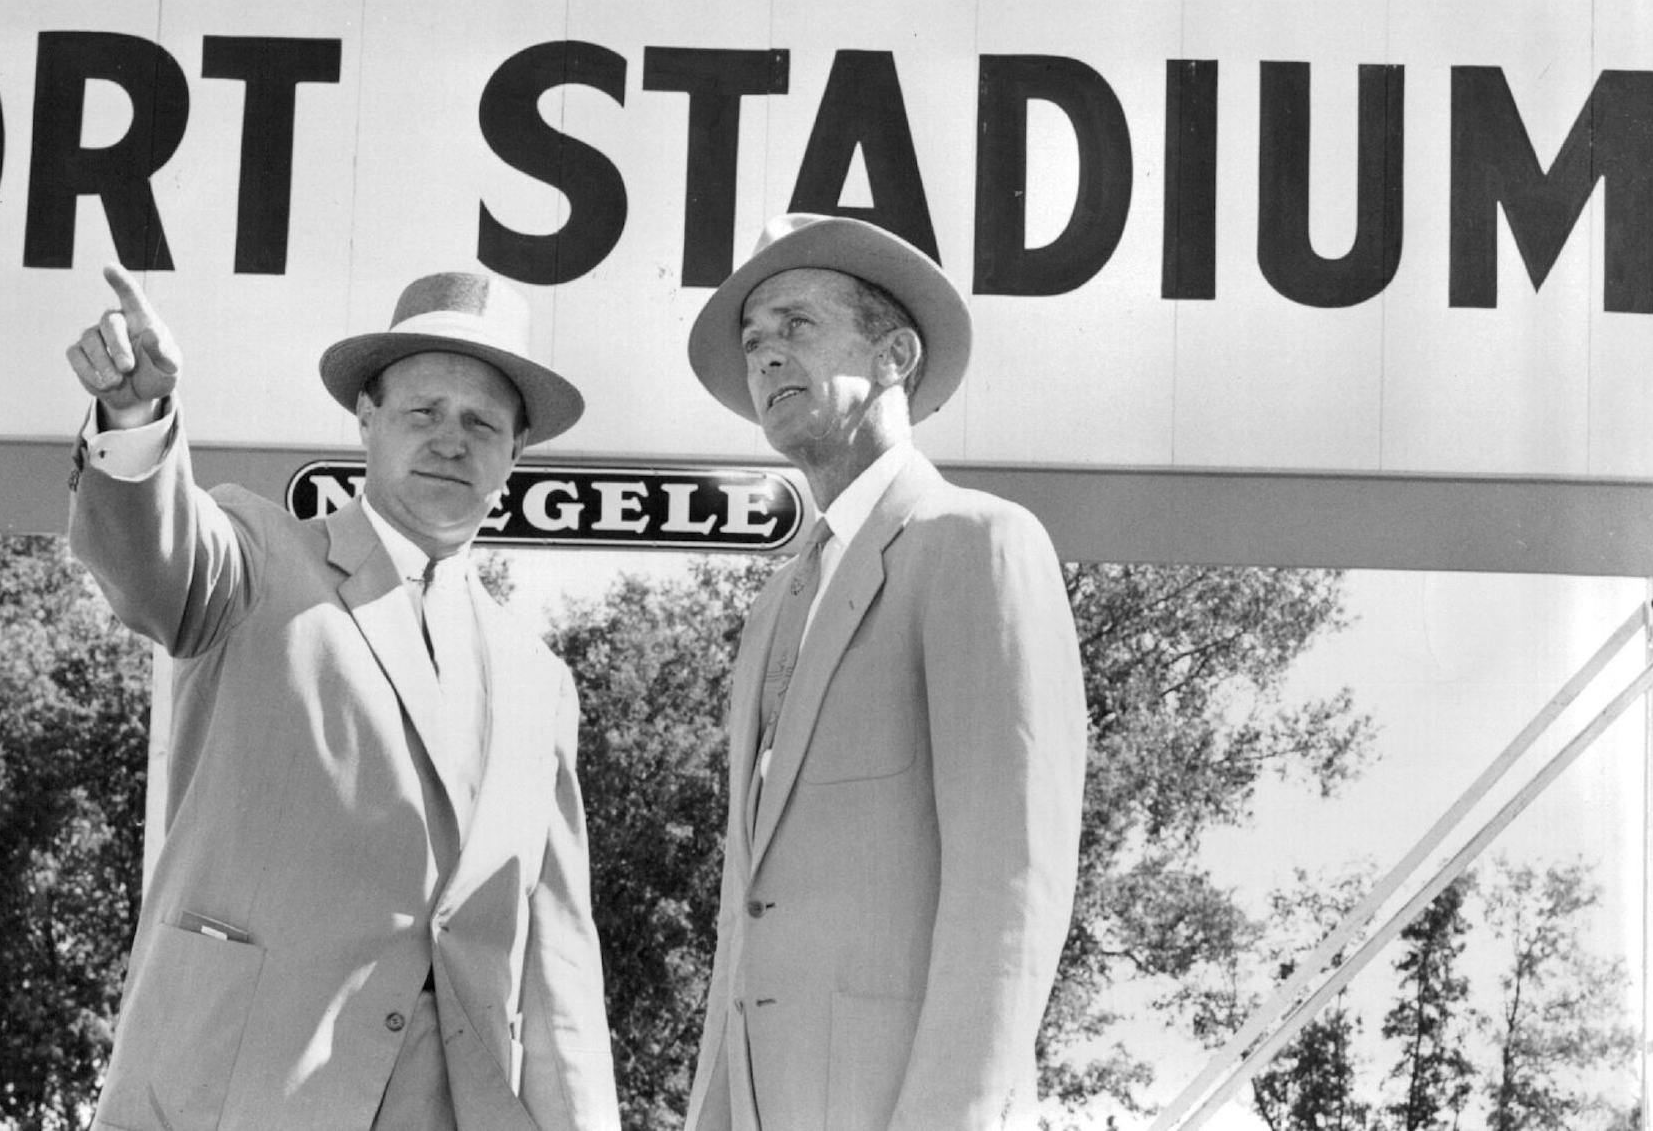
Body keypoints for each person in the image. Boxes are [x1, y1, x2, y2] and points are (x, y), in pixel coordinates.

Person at [64, 262, 620, 1131]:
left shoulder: (539, 681)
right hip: (233, 1102)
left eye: (482, 423)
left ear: (515, 453)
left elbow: (558, 974)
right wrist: (136, 419)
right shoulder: (254, 554)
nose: (451, 440)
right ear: (366, 418)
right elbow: (151, 557)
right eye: (423, 412)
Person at [680, 214, 1087, 1131]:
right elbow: (746, 919)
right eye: (753, 342)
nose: (768, 356)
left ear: (896, 353)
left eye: (797, 326)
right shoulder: (775, 603)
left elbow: (1010, 891)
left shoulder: (979, 544)